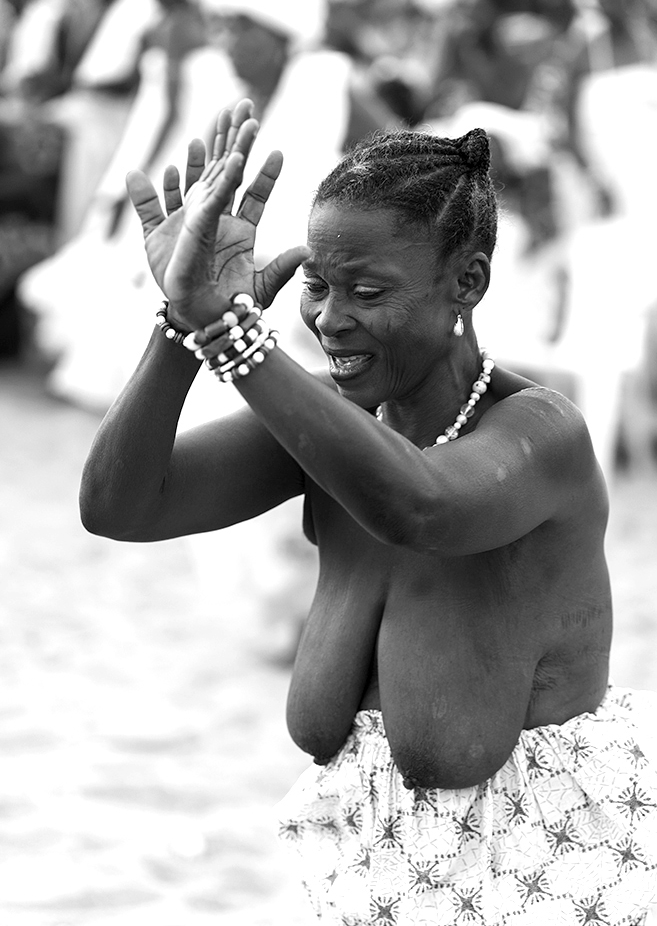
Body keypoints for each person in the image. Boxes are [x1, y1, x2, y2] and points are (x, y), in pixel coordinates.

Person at [79, 100, 657, 923]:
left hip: (543, 864)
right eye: (316, 283)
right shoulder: (325, 424)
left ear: (467, 283)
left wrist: (233, 337)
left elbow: (419, 507)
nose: (328, 317)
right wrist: (180, 323)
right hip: (361, 861)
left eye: (367, 290)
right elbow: (122, 506)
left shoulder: (540, 432)